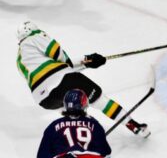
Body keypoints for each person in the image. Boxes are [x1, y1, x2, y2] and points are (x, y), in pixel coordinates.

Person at [16, 21, 150, 138]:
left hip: (45, 100)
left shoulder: (19, 60)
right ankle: (134, 126)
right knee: (99, 100)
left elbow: (53, 70)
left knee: (73, 112)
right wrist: (87, 61)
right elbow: (61, 59)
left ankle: (79, 139)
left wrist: (87, 62)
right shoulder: (35, 36)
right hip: (63, 81)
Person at [37, 89, 112, 158]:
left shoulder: (53, 126)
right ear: (84, 104)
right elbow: (106, 154)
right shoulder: (94, 124)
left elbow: (42, 155)